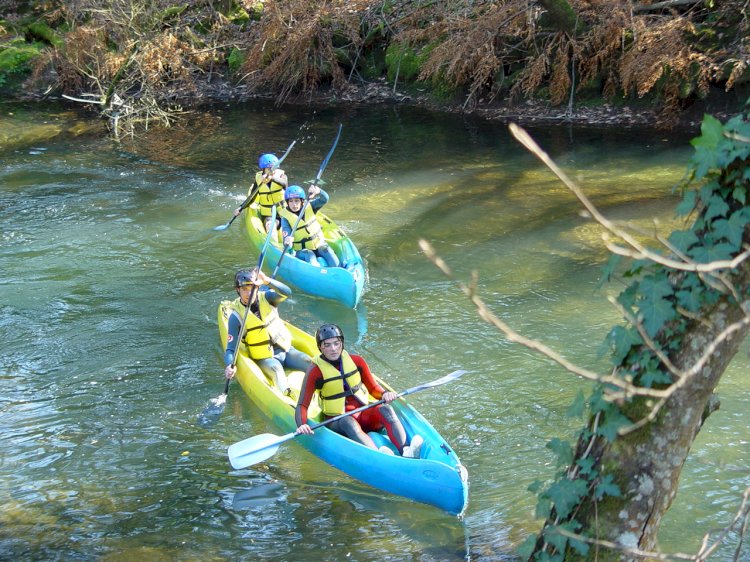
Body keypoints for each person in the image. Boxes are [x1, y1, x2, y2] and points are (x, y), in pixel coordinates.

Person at [295, 324, 423, 458]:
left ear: (342, 343)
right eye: (327, 345)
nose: (333, 349)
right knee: (348, 422)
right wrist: (302, 424)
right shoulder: (315, 371)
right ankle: (379, 457)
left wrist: (385, 393)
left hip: (363, 413)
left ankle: (406, 451)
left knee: (386, 409)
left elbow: (373, 388)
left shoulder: (356, 361)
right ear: (320, 347)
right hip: (337, 420)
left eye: (336, 343)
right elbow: (302, 404)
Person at [224, 268, 311, 397]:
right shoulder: (235, 317)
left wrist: (267, 281)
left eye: (252, 288)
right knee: (277, 370)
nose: (249, 293)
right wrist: (229, 366)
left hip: (286, 350)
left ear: (257, 287)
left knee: (308, 361)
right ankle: (289, 398)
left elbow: (287, 292)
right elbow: (231, 350)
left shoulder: (268, 298)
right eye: (244, 289)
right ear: (238, 290)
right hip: (265, 358)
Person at [279, 184, 341, 268]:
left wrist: (319, 191)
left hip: (319, 244)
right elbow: (286, 232)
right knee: (309, 255)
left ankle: (339, 271)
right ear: (287, 202)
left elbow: (325, 199)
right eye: (291, 201)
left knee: (328, 251)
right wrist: (287, 240)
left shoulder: (310, 206)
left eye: (296, 200)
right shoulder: (285, 217)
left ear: (302, 201)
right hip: (303, 250)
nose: (294, 204)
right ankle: (317, 275)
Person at [233, 153, 288, 232]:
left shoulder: (282, 176)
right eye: (269, 169)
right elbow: (252, 196)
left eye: (274, 168)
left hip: (283, 212)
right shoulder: (259, 179)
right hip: (269, 215)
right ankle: (271, 243)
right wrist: (241, 208)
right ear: (263, 169)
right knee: (270, 226)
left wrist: (272, 178)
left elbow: (285, 184)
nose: (272, 171)